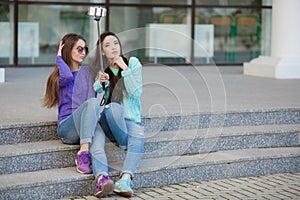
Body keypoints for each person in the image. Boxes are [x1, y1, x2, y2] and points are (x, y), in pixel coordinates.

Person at [43, 33, 115, 198]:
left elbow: (96, 94)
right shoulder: (60, 77)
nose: (83, 52)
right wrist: (59, 59)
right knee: (92, 105)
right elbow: (68, 76)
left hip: (86, 129)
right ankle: (83, 151)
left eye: (85, 49)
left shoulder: (88, 73)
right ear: (68, 50)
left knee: (98, 139)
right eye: (79, 49)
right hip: (68, 128)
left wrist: (103, 83)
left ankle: (101, 178)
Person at [93, 31, 145, 197]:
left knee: (138, 135)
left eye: (115, 43)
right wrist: (101, 82)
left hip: (130, 121)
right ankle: (102, 179)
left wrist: (124, 68)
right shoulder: (103, 70)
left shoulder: (133, 63)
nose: (113, 47)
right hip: (110, 120)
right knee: (112, 108)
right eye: (107, 45)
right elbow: (96, 89)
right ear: (102, 52)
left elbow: (136, 92)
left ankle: (125, 179)